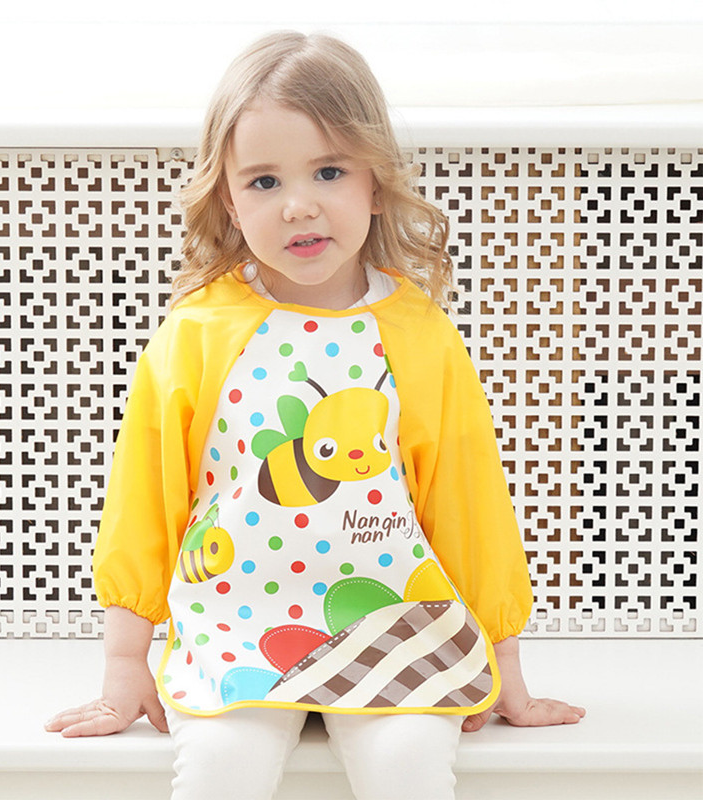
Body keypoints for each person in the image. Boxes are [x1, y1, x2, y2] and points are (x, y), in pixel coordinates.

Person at [45, 30, 585, 800]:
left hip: (395, 625)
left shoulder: (420, 334)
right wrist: (125, 663)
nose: (299, 204)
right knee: (221, 771)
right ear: (229, 200)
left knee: (408, 768)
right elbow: (145, 499)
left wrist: (503, 661)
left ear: (375, 182)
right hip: (236, 629)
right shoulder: (197, 332)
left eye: (329, 171)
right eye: (264, 181)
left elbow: (468, 501)